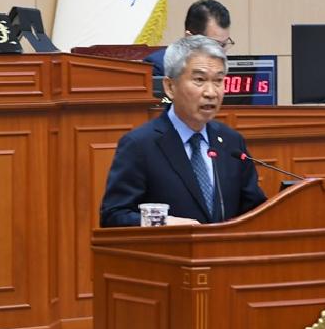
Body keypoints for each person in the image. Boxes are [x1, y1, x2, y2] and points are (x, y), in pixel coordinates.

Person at [101, 35, 267, 226]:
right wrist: (163, 223)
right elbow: (113, 216)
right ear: (170, 87)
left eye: (218, 81)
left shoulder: (231, 142)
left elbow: (255, 211)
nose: (211, 92)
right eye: (199, 80)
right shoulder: (140, 145)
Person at [145, 0, 233, 76]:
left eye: (224, 44)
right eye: (215, 44)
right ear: (189, 38)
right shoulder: (159, 66)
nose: (222, 53)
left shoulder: (224, 68)